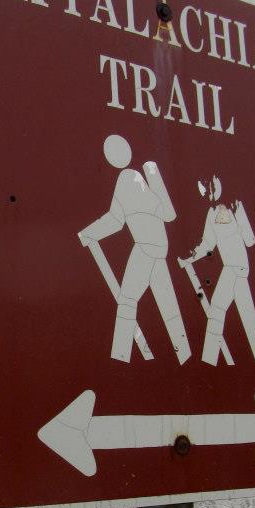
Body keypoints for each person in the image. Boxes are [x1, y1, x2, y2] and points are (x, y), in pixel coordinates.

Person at [78, 134, 191, 364]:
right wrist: (89, 233)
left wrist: (88, 233)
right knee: (169, 309)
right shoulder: (137, 178)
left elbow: (117, 219)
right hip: (159, 250)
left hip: (146, 249)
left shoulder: (131, 178)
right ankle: (186, 357)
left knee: (128, 300)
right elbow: (120, 219)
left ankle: (119, 357)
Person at [179, 175, 255, 366]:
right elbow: (208, 243)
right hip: (229, 269)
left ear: (218, 183)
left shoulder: (235, 206)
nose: (207, 191)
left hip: (240, 269)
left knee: (242, 315)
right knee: (221, 311)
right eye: (204, 188)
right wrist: (189, 258)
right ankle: (209, 362)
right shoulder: (211, 213)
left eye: (209, 186)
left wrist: (239, 217)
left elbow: (250, 241)